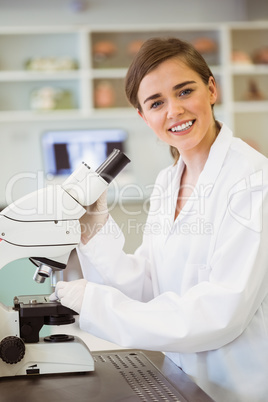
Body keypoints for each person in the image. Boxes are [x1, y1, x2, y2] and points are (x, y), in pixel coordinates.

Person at [50, 38, 268, 402]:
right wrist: (94, 229)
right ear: (143, 116)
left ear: (211, 88)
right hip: (181, 380)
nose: (175, 110)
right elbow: (153, 285)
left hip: (237, 389)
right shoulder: (169, 180)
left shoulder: (253, 182)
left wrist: (97, 305)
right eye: (156, 103)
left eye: (185, 91)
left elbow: (220, 312)